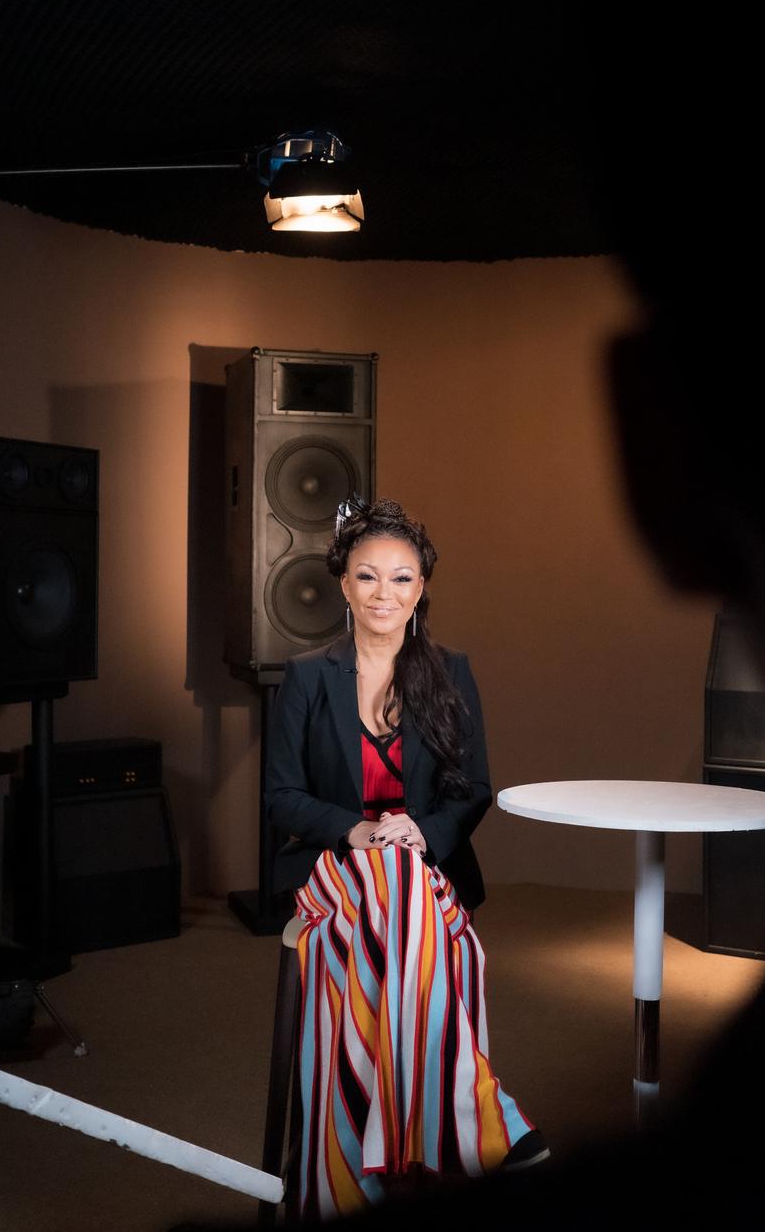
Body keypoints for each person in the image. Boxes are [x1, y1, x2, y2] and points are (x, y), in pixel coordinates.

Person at [264, 496, 548, 1220]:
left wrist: (418, 833)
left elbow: (472, 790)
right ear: (343, 584)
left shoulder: (450, 671)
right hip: (332, 872)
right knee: (388, 872)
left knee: (398, 877)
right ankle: (477, 1120)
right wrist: (358, 833)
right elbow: (282, 797)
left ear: (421, 589)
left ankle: (343, 1179)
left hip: (425, 873)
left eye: (400, 578)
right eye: (366, 576)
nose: (382, 593)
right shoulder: (306, 676)